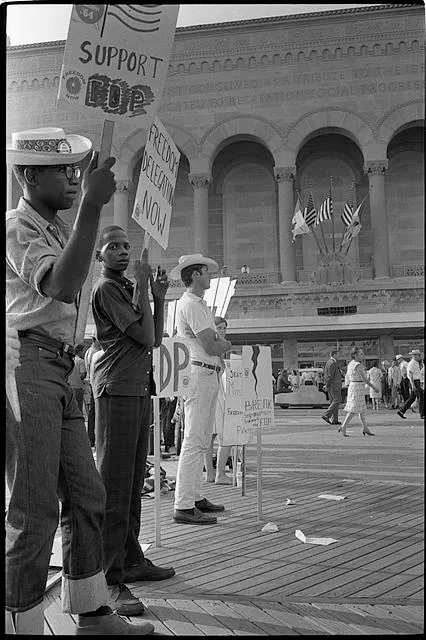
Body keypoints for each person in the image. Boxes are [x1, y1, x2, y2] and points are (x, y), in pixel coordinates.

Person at [6, 126, 154, 634]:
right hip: (26, 368)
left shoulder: (56, 231)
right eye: (62, 172)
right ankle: (18, 623)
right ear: (28, 176)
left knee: (88, 494)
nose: (72, 179)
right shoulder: (14, 226)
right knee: (33, 507)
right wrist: (92, 205)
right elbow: (63, 284)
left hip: (60, 370)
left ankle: (90, 611)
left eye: (76, 172)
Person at [91, 226, 175, 616]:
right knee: (114, 484)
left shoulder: (127, 288)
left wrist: (158, 296)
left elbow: (156, 337)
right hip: (117, 389)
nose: (123, 252)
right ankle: (109, 578)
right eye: (113, 247)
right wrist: (143, 286)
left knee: (133, 480)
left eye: (126, 246)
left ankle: (131, 558)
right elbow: (142, 337)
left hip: (137, 389)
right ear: (100, 256)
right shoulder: (108, 289)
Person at [170, 254, 232, 525]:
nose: (210, 276)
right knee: (195, 439)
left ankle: (194, 497)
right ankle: (184, 503)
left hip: (206, 372)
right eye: (206, 272)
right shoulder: (192, 305)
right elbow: (212, 344)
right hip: (200, 371)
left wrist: (219, 342)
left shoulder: (197, 305)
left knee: (201, 438)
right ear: (195, 275)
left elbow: (212, 340)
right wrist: (224, 344)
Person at [204, 316, 234, 485]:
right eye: (219, 328)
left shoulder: (220, 350)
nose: (222, 331)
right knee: (222, 436)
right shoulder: (213, 349)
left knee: (211, 437)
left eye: (224, 328)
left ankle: (213, 473)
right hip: (216, 396)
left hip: (218, 395)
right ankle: (218, 473)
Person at [339, 346, 378, 437]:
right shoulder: (358, 365)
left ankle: (365, 427)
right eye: (360, 354)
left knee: (361, 409)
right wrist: (374, 387)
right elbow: (365, 379)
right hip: (358, 387)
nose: (362, 355)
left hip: (354, 386)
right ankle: (344, 426)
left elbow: (348, 377)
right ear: (355, 355)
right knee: (354, 409)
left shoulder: (350, 364)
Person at [84, 335, 103, 447]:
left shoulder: (89, 351)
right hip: (95, 384)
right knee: (95, 413)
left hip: (92, 384)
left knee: (93, 413)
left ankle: (91, 438)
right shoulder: (95, 352)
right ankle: (92, 438)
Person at [397, 349, 424, 420]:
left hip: (416, 381)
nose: (420, 356)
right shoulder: (412, 363)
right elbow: (410, 375)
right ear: (414, 356)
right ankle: (422, 414)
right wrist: (413, 385)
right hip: (414, 382)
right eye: (418, 355)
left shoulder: (416, 363)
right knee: (421, 398)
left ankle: (401, 411)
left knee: (412, 398)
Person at [321, 350, 343, 425]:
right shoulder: (333, 363)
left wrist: (326, 385)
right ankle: (326, 415)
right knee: (337, 400)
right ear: (334, 355)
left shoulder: (328, 362)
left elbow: (326, 375)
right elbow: (330, 376)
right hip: (334, 385)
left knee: (333, 402)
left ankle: (335, 419)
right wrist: (327, 385)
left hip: (331, 385)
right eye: (338, 354)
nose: (339, 356)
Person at [67, 344, 87, 412]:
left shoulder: (69, 360)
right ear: (80, 351)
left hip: (68, 387)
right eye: (83, 351)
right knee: (78, 409)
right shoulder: (80, 361)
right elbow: (83, 374)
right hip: (78, 388)